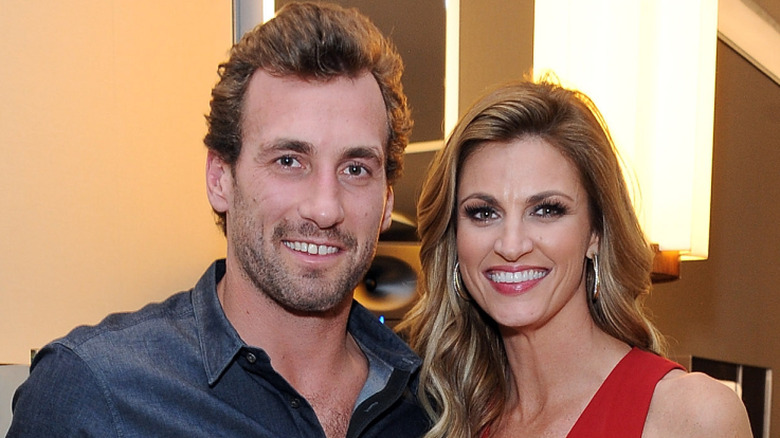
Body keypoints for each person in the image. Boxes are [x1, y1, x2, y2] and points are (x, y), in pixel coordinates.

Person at [9, 2, 429, 437]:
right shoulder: (94, 393)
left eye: (355, 169)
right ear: (219, 179)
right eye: (289, 160)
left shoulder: (436, 403)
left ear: (385, 203)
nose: (325, 208)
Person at [399, 78, 752, 438]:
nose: (511, 244)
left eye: (547, 210)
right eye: (484, 213)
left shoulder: (690, 415)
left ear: (596, 232)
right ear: (454, 237)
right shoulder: (444, 416)